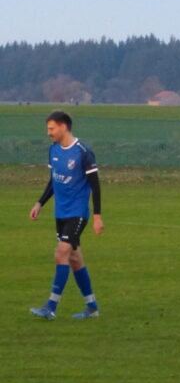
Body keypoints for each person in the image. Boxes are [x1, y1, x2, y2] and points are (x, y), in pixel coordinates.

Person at [29, 111, 104, 320]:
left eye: (51, 128)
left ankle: (50, 306)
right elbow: (53, 180)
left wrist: (97, 216)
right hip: (60, 213)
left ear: (63, 127)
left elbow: (95, 186)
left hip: (77, 213)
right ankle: (92, 307)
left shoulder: (83, 152)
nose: (48, 133)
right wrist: (40, 203)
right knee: (75, 259)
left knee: (61, 253)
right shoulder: (53, 150)